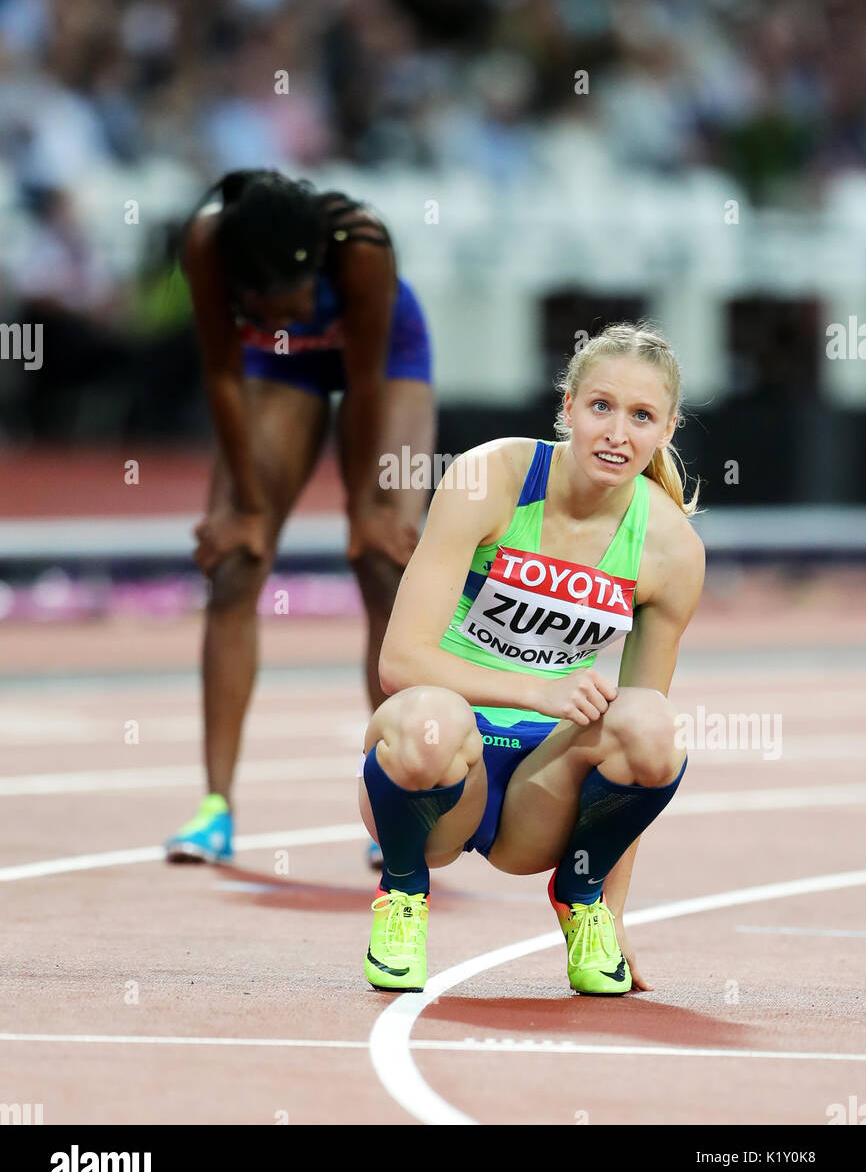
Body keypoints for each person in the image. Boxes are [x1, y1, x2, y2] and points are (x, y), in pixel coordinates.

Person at [358, 322, 705, 995]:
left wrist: (616, 912)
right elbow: (401, 662)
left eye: (640, 416)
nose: (616, 433)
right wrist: (534, 690)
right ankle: (402, 896)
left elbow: (640, 741)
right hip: (442, 773)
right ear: (567, 407)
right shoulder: (492, 477)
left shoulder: (671, 548)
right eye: (601, 407)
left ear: (667, 429)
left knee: (655, 728)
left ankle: (582, 905)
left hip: (539, 796)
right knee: (429, 721)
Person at [164, 168, 435, 865]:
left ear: (317, 265)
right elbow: (223, 374)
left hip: (385, 359)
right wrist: (248, 510)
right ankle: (215, 807)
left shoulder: (363, 243)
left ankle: (397, 799)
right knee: (233, 566)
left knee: (384, 565)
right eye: (269, 308)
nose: (287, 315)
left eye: (298, 301)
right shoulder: (207, 244)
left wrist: (367, 509)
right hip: (278, 372)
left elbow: (367, 383)